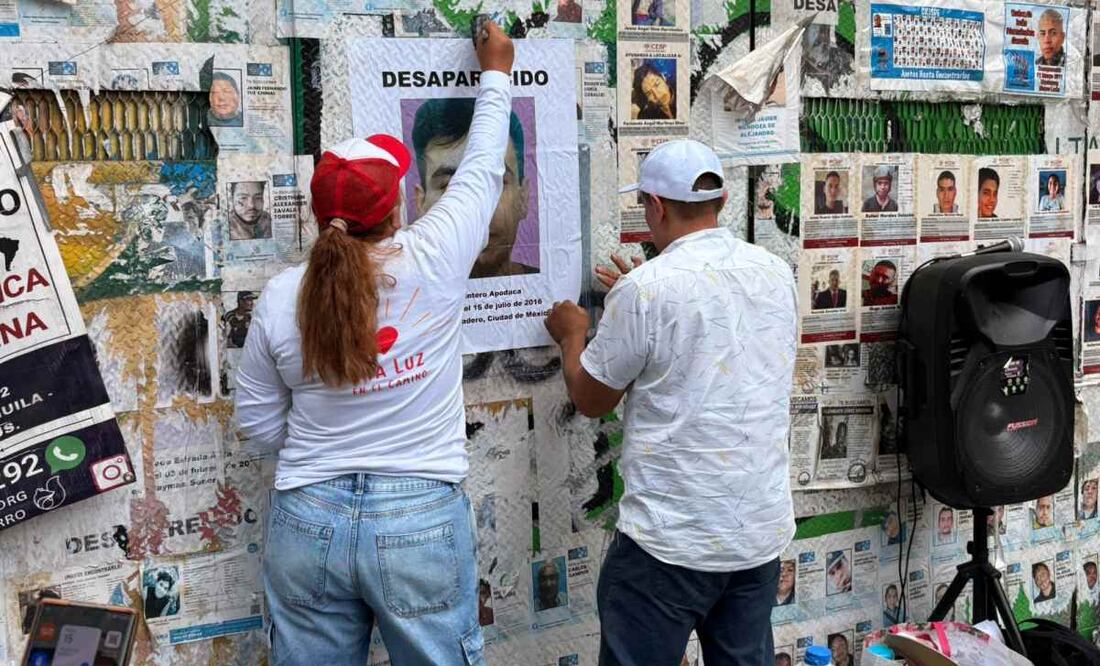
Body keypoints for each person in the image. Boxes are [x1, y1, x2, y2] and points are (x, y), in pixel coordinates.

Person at [234, 22, 515, 665]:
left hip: (307, 520)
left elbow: (257, 422)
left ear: (315, 215)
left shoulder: (281, 297)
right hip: (419, 518)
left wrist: (324, 440)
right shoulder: (435, 255)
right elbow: (480, 169)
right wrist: (495, 71)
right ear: (398, 208)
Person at [543, 139, 796, 665]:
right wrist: (635, 301)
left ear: (655, 206)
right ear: (722, 203)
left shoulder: (646, 291)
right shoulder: (775, 273)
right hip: (756, 537)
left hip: (669, 545)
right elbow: (710, 344)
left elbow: (591, 397)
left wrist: (574, 336)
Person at [411, 97, 534, 279]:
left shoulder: (553, 292)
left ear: (523, 197)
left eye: (494, 184)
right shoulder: (402, 300)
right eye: (449, 186)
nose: (474, 211)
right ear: (420, 204)